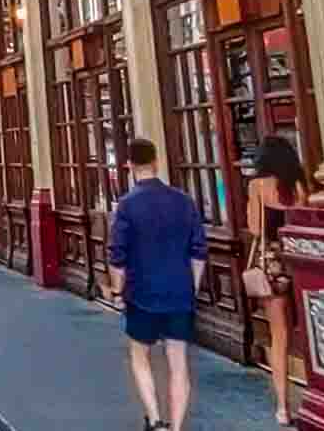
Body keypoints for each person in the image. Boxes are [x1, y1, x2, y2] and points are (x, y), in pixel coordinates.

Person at [107, 138, 207, 431]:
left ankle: (155, 420)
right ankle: (176, 427)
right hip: (179, 293)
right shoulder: (183, 200)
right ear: (156, 162)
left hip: (142, 293)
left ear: (129, 166)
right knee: (178, 362)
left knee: (140, 354)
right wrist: (193, 288)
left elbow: (117, 257)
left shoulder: (126, 205)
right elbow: (198, 251)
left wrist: (116, 292)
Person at [247, 136, 306, 425]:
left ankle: (283, 407)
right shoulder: (296, 186)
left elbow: (255, 228)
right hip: (300, 261)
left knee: (278, 335)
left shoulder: (257, 186)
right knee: (306, 328)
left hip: (271, 264)